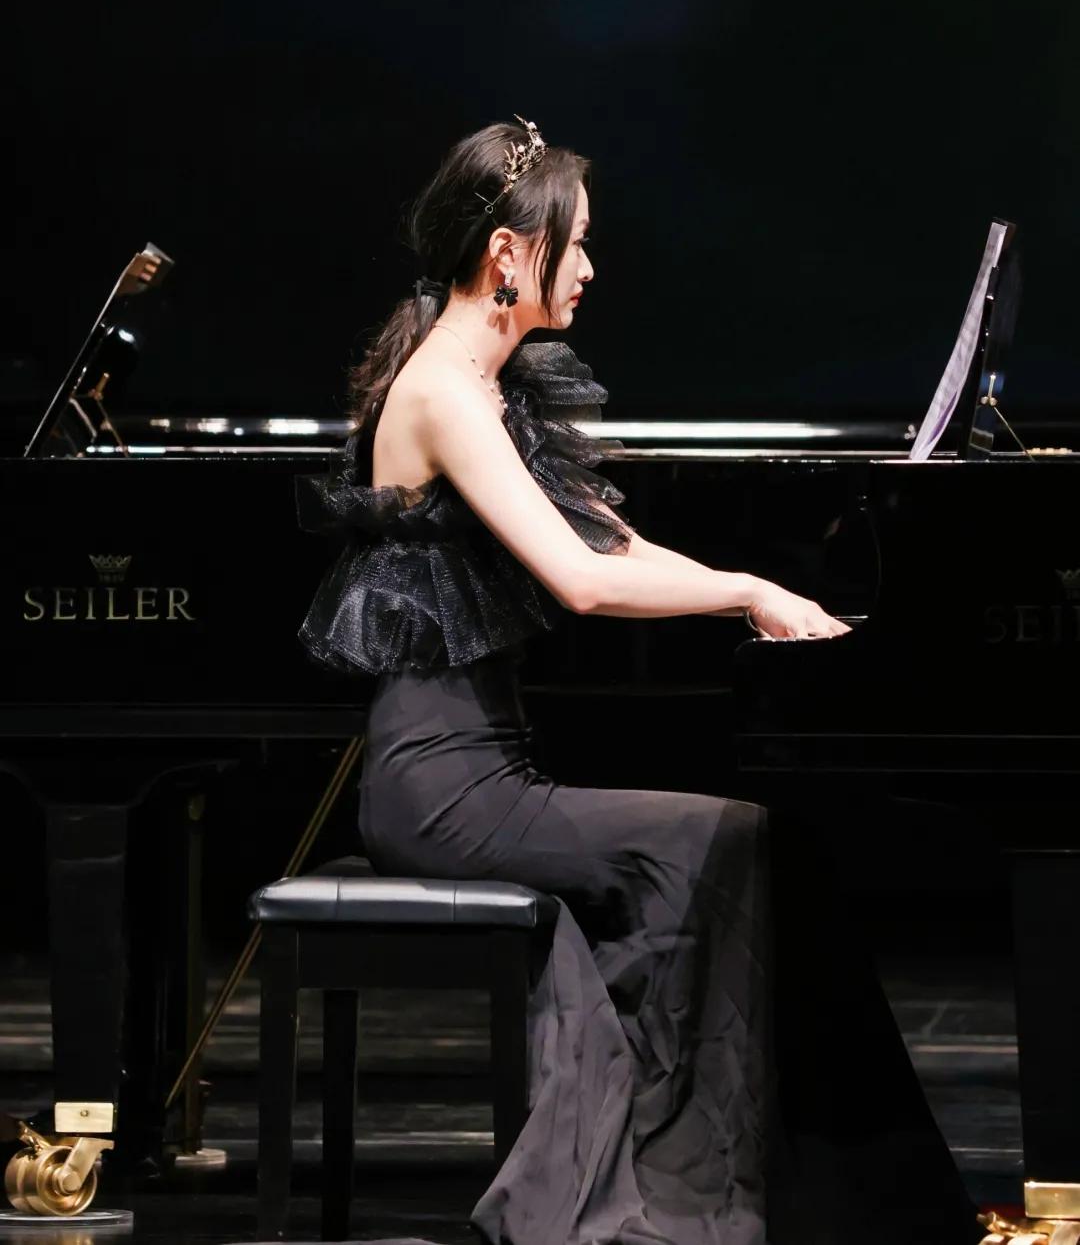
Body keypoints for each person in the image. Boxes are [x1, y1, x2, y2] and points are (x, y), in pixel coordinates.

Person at [296, 118, 982, 1245]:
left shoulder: (487, 386)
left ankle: (811, 1193)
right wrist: (746, 592)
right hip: (442, 792)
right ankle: (688, 1195)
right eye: (575, 244)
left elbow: (619, 545)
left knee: (749, 845)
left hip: (486, 776)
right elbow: (580, 584)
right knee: (720, 847)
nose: (590, 268)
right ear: (509, 252)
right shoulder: (445, 394)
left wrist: (766, 592)